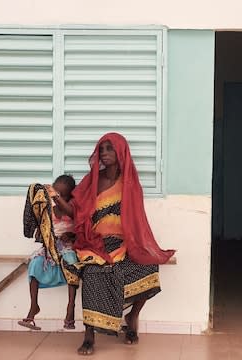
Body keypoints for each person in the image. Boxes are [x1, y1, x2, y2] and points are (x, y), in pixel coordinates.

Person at [53, 132, 175, 356]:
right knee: (92, 273)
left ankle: (132, 317)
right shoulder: (92, 180)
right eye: (102, 149)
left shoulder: (129, 182)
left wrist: (138, 244)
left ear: (121, 152)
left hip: (122, 243)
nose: (105, 153)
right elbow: (76, 212)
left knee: (148, 267)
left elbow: (136, 218)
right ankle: (89, 335)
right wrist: (56, 198)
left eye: (110, 149)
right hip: (94, 242)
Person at [19, 174, 79, 331]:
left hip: (68, 247)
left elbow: (81, 229)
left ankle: (70, 308)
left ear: (70, 196)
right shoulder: (49, 211)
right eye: (55, 194)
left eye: (62, 195)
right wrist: (41, 234)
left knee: (71, 264)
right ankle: (33, 307)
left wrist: (71, 235)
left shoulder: (72, 210)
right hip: (51, 248)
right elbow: (44, 231)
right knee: (34, 265)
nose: (57, 198)